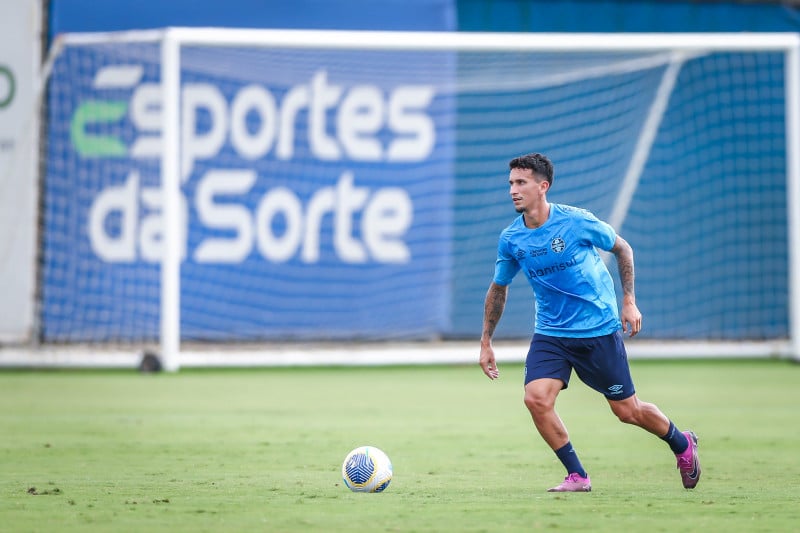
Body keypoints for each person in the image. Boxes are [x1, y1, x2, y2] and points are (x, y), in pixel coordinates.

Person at [478, 153, 700, 492]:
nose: (513, 190)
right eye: (510, 183)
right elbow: (498, 289)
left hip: (597, 330)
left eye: (521, 182)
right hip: (551, 333)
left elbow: (622, 249)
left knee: (627, 411)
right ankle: (577, 476)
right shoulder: (512, 239)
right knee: (536, 399)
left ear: (543, 186)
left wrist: (628, 300)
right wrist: (485, 341)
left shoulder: (576, 221)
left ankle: (681, 443)